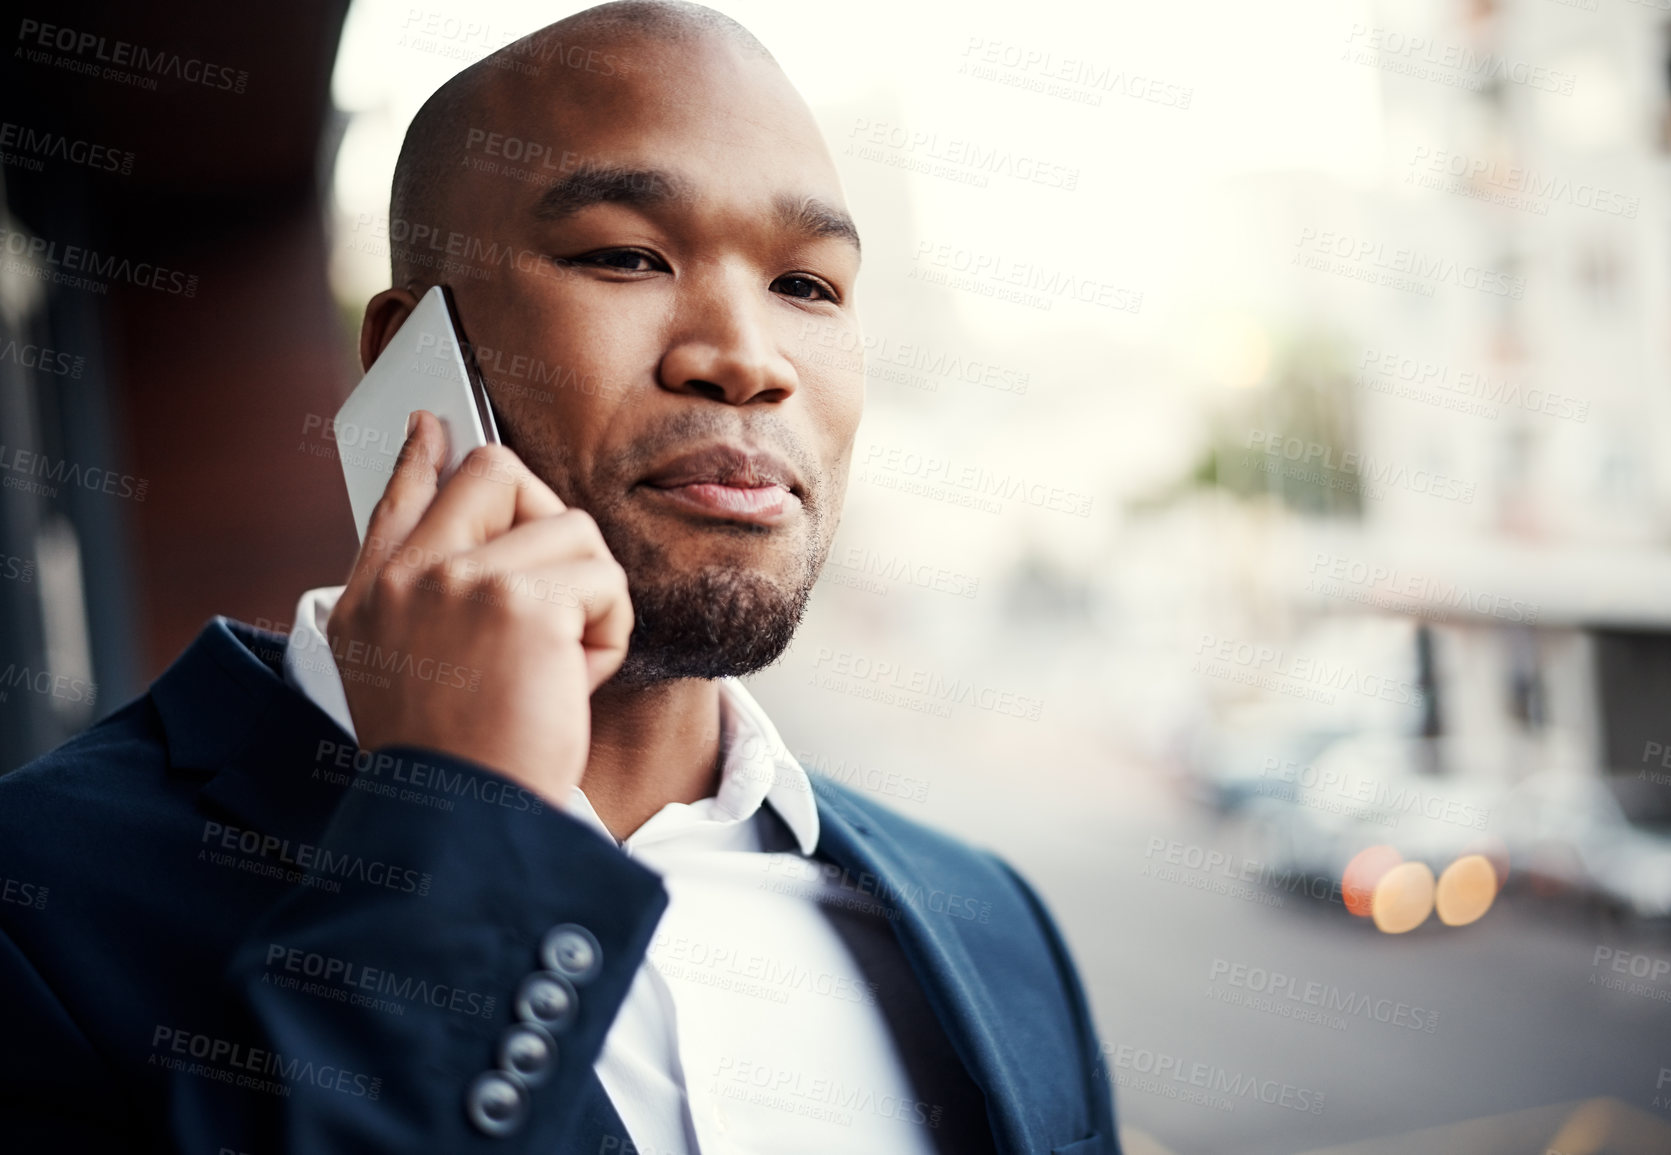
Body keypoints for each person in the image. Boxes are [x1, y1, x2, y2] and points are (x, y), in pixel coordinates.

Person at [0, 3, 1118, 1151]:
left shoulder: (994, 923)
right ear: (410, 362)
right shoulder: (37, 905)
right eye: (627, 256)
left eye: (810, 286)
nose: (745, 356)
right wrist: (461, 827)